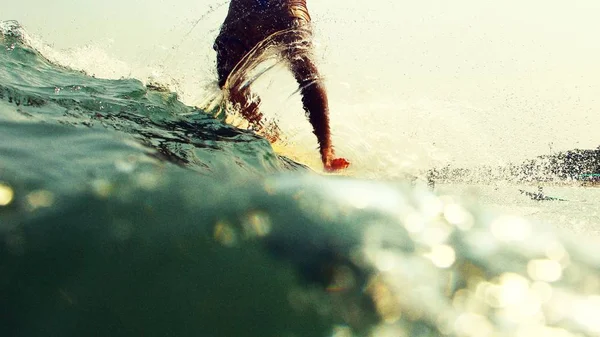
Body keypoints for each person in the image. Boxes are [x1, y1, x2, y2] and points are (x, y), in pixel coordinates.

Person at [214, 0, 350, 171]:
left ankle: (325, 150)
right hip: (247, 8)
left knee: (305, 69)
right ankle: (267, 133)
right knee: (228, 81)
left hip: (282, 8)